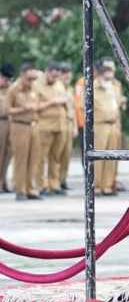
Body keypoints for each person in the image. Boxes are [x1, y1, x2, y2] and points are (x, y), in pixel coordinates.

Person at [7, 64, 42, 200]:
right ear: (22, 75)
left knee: (34, 159)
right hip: (19, 126)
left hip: (33, 126)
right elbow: (7, 110)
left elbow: (38, 104)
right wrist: (24, 109)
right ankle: (20, 190)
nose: (31, 81)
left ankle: (30, 189)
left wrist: (35, 107)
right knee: (21, 159)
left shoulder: (33, 88)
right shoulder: (14, 89)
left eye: (33, 79)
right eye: (29, 78)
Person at [34, 62, 70, 195]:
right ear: (47, 72)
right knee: (41, 157)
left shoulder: (59, 84)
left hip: (60, 126)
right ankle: (41, 185)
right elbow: (35, 106)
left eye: (57, 77)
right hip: (44, 126)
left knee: (56, 157)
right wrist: (52, 102)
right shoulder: (37, 85)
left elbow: (66, 100)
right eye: (53, 76)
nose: (55, 79)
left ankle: (54, 185)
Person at [93, 58, 126, 195]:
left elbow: (119, 101)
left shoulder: (116, 85)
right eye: (107, 69)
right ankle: (97, 186)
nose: (110, 71)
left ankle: (109, 185)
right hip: (100, 125)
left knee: (113, 156)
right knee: (99, 156)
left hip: (115, 124)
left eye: (111, 69)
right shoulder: (92, 85)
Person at [58, 63, 75, 191]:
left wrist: (74, 126)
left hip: (69, 123)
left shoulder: (70, 89)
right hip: (59, 124)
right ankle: (54, 182)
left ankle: (63, 180)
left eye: (69, 74)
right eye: (65, 74)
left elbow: (73, 108)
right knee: (57, 154)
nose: (67, 76)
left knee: (66, 154)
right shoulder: (57, 88)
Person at [0, 63, 14, 193]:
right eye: (5, 79)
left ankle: (3, 182)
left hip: (9, 123)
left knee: (7, 155)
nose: (7, 82)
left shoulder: (10, 88)